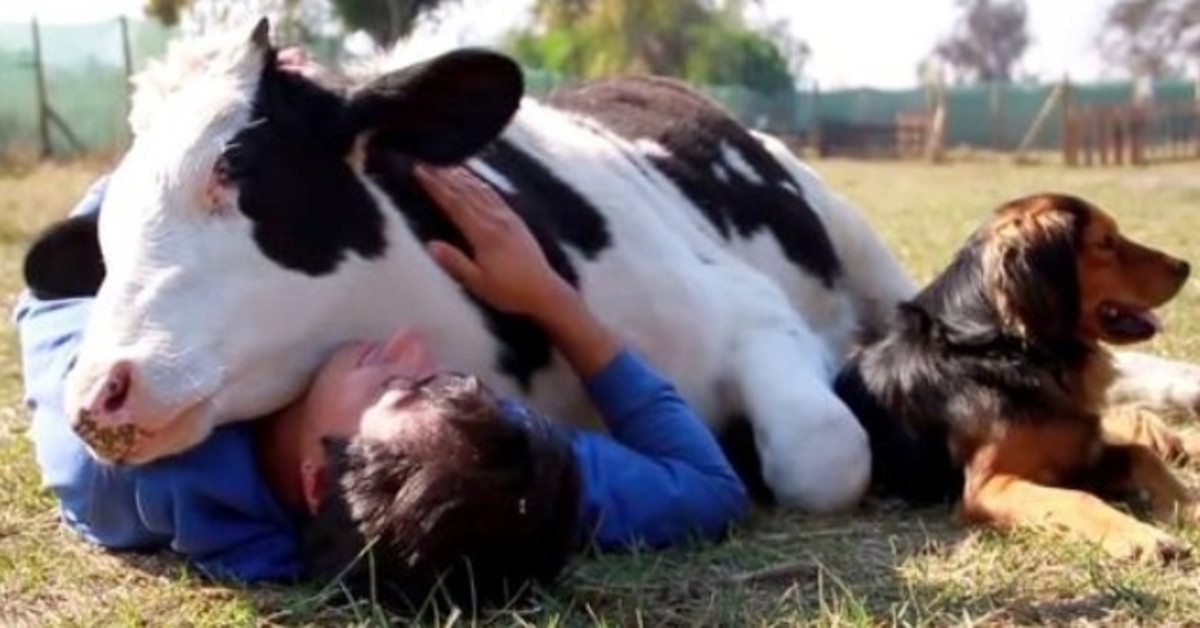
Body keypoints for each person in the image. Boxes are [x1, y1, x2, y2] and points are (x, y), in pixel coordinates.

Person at [16, 164, 749, 610]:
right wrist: (548, 296)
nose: (409, 343)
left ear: (314, 483)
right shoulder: (483, 482)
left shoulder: (118, 458)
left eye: (395, 385)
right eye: (439, 375)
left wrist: (185, 159)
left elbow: (49, 300)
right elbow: (709, 489)